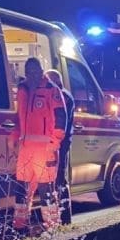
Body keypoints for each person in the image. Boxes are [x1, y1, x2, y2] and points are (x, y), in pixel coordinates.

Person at [10, 58, 67, 230]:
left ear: (41, 70)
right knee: (22, 189)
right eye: (29, 71)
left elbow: (60, 118)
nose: (32, 74)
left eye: (35, 70)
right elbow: (18, 116)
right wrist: (14, 136)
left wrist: (54, 142)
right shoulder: (22, 89)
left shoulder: (51, 90)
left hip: (45, 149)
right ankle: (20, 225)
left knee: (46, 190)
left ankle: (51, 227)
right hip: (26, 148)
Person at [50, 69, 75, 225]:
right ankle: (60, 216)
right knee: (57, 178)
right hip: (60, 142)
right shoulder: (63, 94)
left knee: (60, 179)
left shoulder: (63, 96)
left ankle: (64, 217)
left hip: (61, 143)